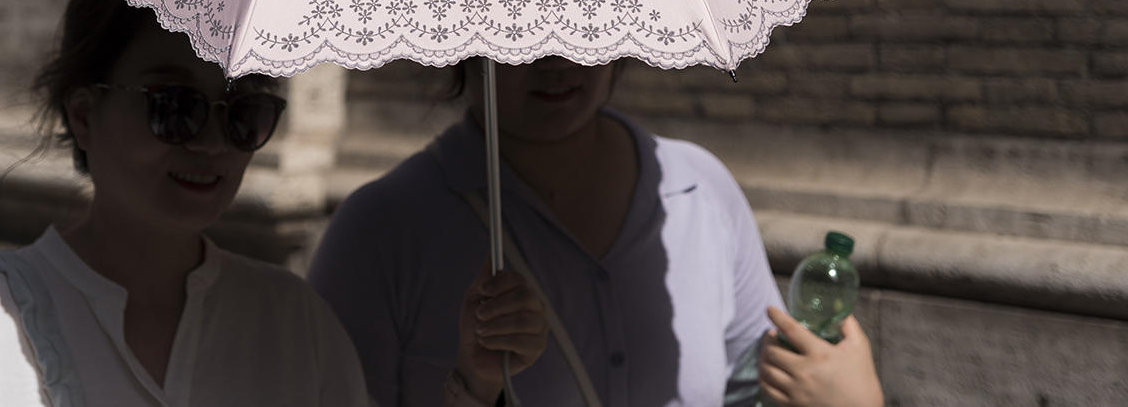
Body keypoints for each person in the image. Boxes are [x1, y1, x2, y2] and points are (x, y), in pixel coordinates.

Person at [0, 0, 547, 406]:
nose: (214, 143)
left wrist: (475, 382)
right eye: (173, 105)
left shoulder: (293, 324)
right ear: (85, 113)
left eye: (244, 109)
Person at [309, 56, 883, 407]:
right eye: (522, 24)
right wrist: (475, 389)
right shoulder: (381, 230)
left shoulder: (700, 189)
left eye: (585, 18)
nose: (557, 58)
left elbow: (752, 390)